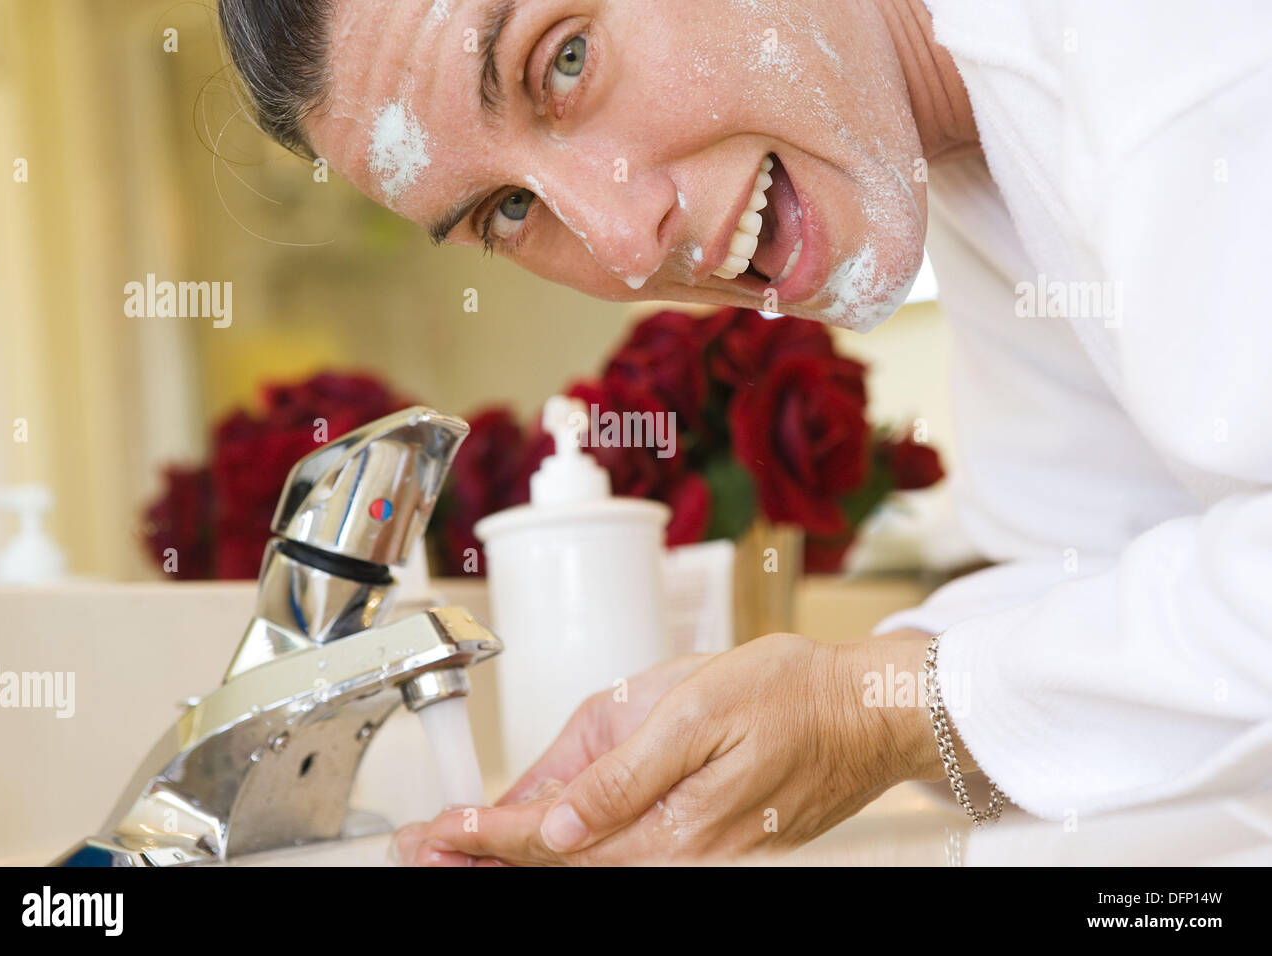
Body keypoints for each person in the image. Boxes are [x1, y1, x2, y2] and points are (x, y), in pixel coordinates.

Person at [217, 0, 1272, 864]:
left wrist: (874, 709)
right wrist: (805, 707)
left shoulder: (1179, 57)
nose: (624, 244)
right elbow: (1092, 580)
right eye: (504, 209)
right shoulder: (975, 150)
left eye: (567, 59)